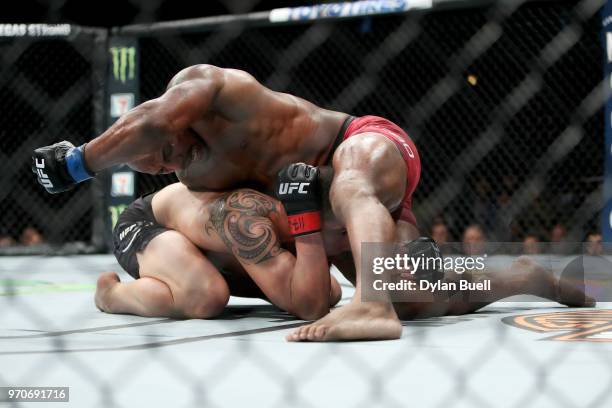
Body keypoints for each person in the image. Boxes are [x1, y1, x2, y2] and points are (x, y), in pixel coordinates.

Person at [32, 65, 589, 341]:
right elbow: (304, 291)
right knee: (418, 296)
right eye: (154, 169)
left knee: (350, 184)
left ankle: (372, 307)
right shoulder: (198, 178)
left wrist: (76, 162)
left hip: (362, 146)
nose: (166, 164)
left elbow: (151, 120)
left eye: (158, 151)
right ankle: (523, 277)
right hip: (332, 211)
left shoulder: (207, 90)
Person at [96, 165, 342, 321]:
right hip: (148, 225)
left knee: (331, 291)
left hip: (217, 252)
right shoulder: (245, 218)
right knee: (207, 296)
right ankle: (112, 294)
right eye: (343, 235)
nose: (348, 244)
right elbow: (310, 308)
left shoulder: (332, 215)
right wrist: (309, 234)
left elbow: (320, 298)